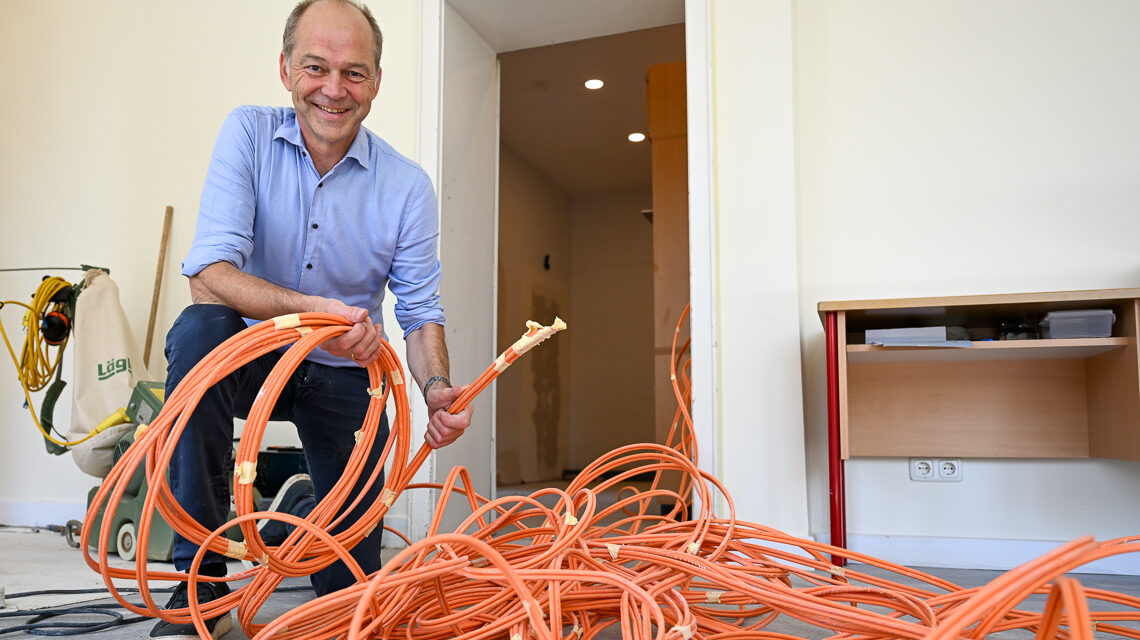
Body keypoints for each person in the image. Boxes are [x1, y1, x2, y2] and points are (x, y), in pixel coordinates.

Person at [152, 1, 473, 637]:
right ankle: (199, 591)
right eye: (315, 67)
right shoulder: (246, 133)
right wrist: (311, 311)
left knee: (350, 592)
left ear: (377, 83)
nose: (333, 89)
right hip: (250, 356)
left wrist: (436, 390)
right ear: (284, 69)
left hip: (343, 371)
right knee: (199, 334)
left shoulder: (407, 187)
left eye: (355, 73)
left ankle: (336, 586)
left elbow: (419, 311)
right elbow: (208, 273)